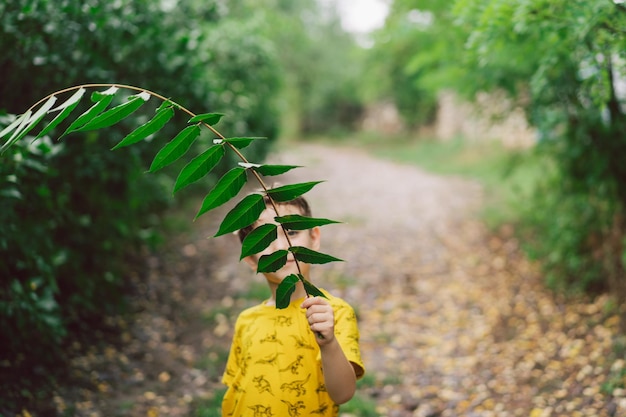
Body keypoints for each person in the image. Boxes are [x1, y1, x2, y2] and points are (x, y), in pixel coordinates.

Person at [221, 193, 365, 417]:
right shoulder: (246, 321)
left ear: (314, 237)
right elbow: (236, 390)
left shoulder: (332, 313)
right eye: (265, 238)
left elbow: (343, 393)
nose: (281, 246)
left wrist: (328, 344)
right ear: (250, 258)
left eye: (292, 232)